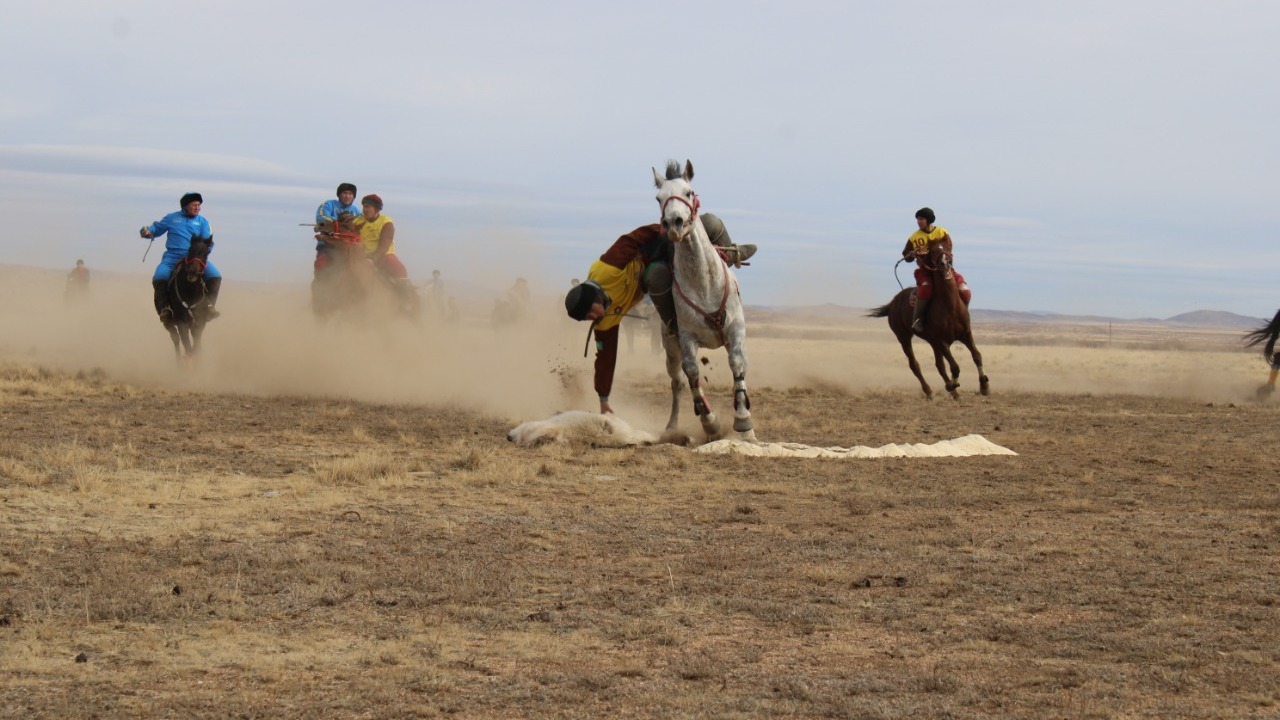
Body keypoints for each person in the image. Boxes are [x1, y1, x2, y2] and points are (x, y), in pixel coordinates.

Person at [563, 213, 755, 414]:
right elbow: (605, 359)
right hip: (658, 272)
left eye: (591, 313)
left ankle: (733, 254)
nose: (593, 319)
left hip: (660, 246)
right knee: (655, 276)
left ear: (595, 296)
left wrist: (664, 230)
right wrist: (603, 399)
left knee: (709, 222)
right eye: (587, 319)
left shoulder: (607, 268)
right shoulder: (603, 322)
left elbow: (632, 239)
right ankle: (673, 324)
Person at [140, 192, 221, 326]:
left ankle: (209, 307)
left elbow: (208, 242)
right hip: (172, 257)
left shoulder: (203, 222)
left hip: (195, 259)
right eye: (194, 205)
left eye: (199, 205)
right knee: (159, 276)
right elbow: (156, 228)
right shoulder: (171, 218)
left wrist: (201, 253)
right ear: (185, 206)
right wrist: (146, 231)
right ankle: (166, 309)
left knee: (215, 275)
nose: (197, 208)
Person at [902, 207, 970, 331]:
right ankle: (917, 319)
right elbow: (906, 255)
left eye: (921, 219)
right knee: (926, 289)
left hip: (944, 269)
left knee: (965, 291)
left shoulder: (942, 232)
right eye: (917, 219)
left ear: (928, 220)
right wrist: (910, 255)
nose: (918, 221)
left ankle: (962, 316)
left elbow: (948, 248)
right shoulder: (914, 237)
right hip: (925, 271)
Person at [352, 194, 417, 303]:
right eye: (364, 206)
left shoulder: (386, 222)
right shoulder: (358, 221)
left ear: (376, 208)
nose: (365, 209)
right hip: (362, 256)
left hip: (384, 255)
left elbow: (386, 242)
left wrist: (373, 258)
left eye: (368, 207)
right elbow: (348, 230)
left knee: (399, 269)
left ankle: (406, 302)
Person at [313, 182, 360, 274]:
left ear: (353, 196)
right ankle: (319, 284)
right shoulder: (328, 205)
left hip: (350, 244)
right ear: (339, 194)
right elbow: (321, 218)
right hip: (328, 242)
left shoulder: (357, 211)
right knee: (321, 263)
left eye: (350, 194)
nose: (347, 196)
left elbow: (362, 225)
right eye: (345, 193)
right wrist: (338, 223)